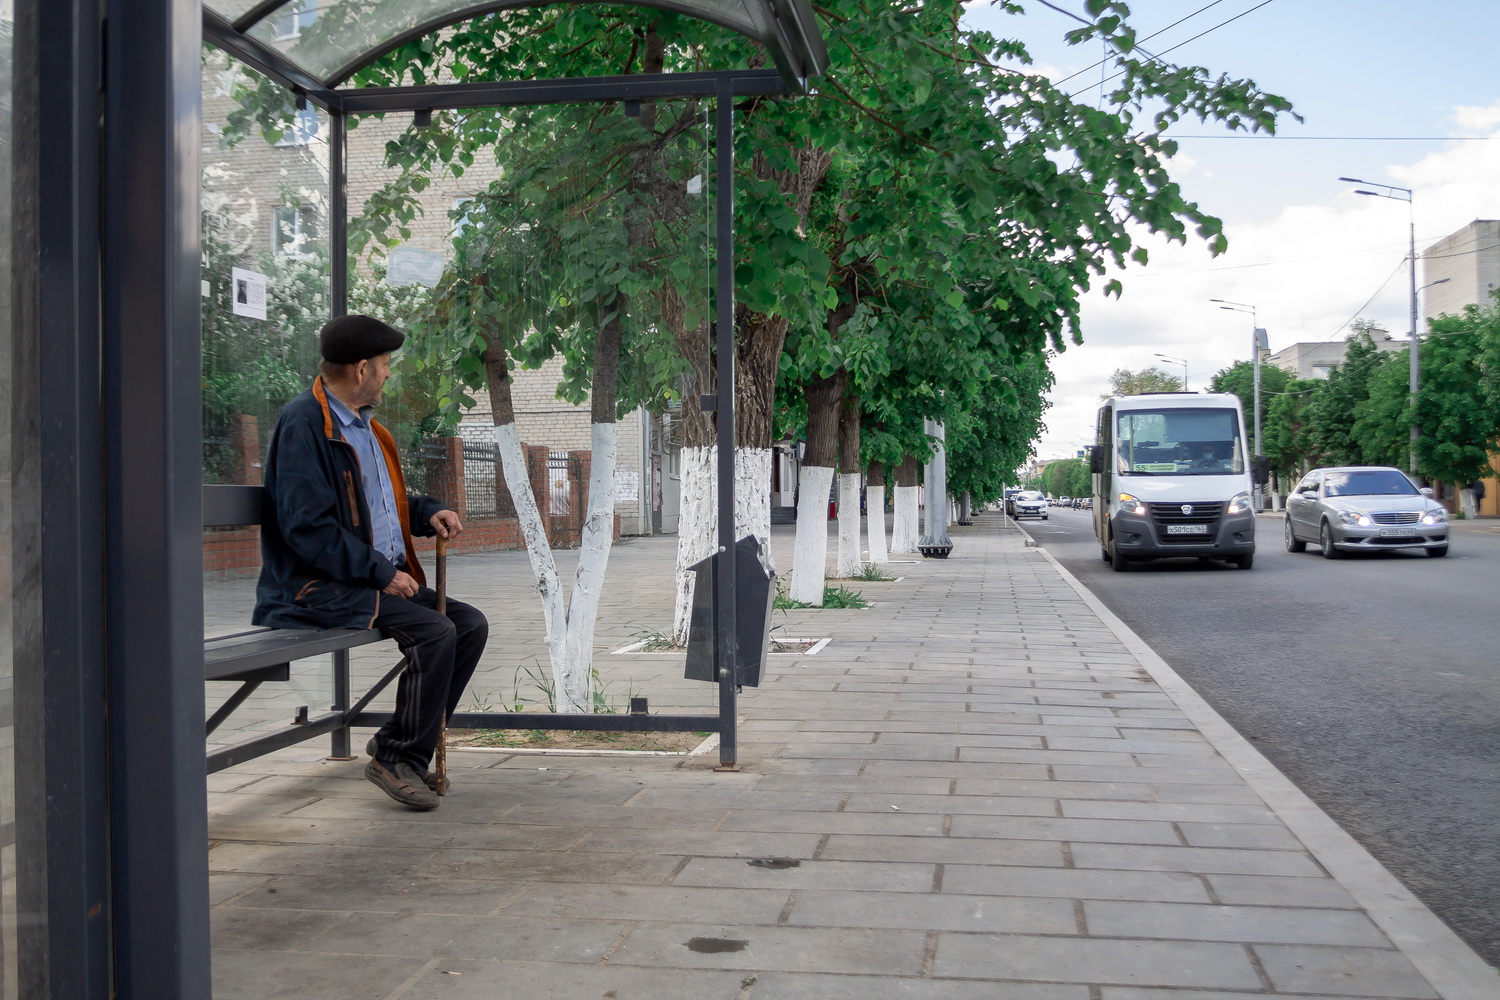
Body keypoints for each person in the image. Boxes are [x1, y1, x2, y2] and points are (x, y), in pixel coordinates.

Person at [254, 315, 489, 811]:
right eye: (384, 365)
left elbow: (383, 504)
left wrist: (428, 512)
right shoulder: (305, 425)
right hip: (313, 587)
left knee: (468, 624)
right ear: (361, 369)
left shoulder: (368, 429)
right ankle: (397, 756)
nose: (388, 374)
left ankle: (401, 748)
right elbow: (308, 528)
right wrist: (381, 572)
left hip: (363, 580)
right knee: (435, 631)